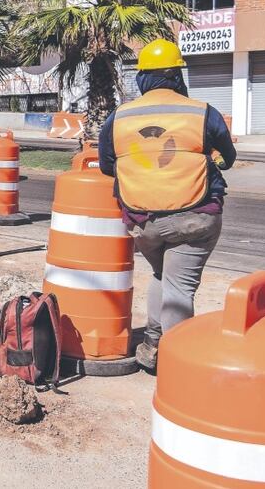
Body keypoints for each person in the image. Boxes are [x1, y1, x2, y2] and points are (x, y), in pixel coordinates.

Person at [98, 38, 236, 372]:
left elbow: (106, 166)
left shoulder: (119, 117)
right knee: (179, 286)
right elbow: (228, 156)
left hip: (143, 222)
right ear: (177, 76)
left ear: (143, 78)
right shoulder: (202, 112)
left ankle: (153, 346)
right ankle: (177, 366)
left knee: (163, 276)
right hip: (195, 218)